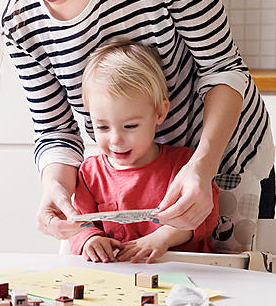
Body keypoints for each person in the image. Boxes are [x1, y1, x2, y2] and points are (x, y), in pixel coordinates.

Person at [0, 0, 276, 253]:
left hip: (222, 155)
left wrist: (202, 167)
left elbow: (222, 69)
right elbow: (56, 131)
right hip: (127, 175)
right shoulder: (21, 20)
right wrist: (54, 188)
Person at [69, 41, 219, 263]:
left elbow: (204, 216)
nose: (116, 140)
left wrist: (162, 238)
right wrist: (91, 239)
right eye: (102, 127)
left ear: (160, 113)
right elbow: (78, 222)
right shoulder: (89, 174)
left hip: (182, 270)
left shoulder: (184, 164)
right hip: (119, 275)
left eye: (130, 126)